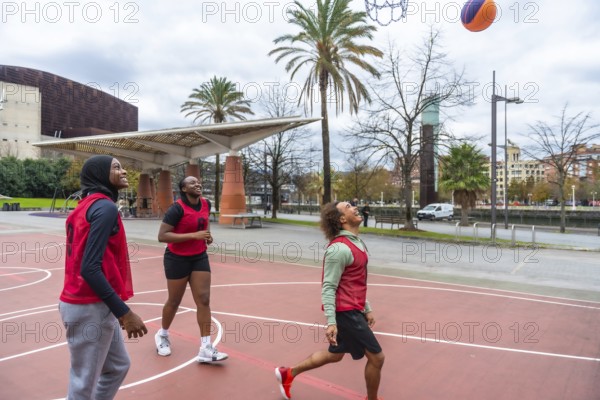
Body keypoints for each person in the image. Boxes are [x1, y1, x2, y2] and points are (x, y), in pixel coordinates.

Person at [275, 201, 385, 400]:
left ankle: (288, 373)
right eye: (349, 206)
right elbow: (328, 287)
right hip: (345, 313)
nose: (355, 207)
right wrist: (331, 322)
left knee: (335, 355)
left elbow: (355, 281)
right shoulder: (339, 249)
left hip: (353, 309)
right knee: (377, 358)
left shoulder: (356, 243)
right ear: (342, 219)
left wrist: (366, 307)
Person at [59, 155, 148, 400]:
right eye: (116, 167)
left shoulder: (86, 206)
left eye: (122, 166)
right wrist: (124, 312)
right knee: (82, 384)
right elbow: (90, 268)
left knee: (118, 366)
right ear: (99, 174)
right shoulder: (105, 207)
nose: (124, 171)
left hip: (91, 303)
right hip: (89, 305)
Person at [154, 176, 228, 363]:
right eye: (192, 183)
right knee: (174, 301)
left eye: (199, 182)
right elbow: (162, 236)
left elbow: (205, 223)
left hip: (199, 256)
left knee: (203, 299)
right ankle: (162, 335)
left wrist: (206, 236)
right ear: (184, 189)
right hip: (176, 258)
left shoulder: (206, 203)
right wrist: (193, 235)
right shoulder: (176, 208)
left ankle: (205, 347)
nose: (198, 184)